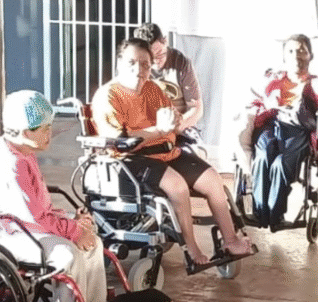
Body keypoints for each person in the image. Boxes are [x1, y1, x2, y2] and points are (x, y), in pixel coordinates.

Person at [90, 38, 253, 265]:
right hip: (130, 159)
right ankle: (192, 249)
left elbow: (172, 120)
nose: (139, 70)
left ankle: (231, 240)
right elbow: (120, 139)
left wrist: (172, 122)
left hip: (166, 152)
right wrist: (158, 130)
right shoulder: (108, 95)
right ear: (119, 63)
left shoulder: (152, 89)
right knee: (177, 186)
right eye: (132, 62)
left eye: (145, 64)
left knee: (213, 179)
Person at [0, 90, 110, 302]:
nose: (50, 133)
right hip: (0, 234)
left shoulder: (22, 151)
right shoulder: (11, 164)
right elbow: (32, 216)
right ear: (24, 132)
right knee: (68, 254)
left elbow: (35, 208)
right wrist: (74, 230)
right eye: (44, 128)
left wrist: (74, 223)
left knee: (92, 242)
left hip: (19, 225)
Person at [250, 34, 318, 232]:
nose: (296, 55)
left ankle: (274, 215)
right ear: (283, 56)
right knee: (262, 155)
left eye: (302, 50)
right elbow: (254, 104)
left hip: (300, 129)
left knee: (281, 163)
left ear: (310, 55)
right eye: (290, 51)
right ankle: (259, 213)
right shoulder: (270, 82)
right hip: (271, 125)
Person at [133, 22, 205, 150]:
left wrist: (175, 126)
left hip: (180, 127)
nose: (156, 61)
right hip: (149, 128)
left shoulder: (181, 63)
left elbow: (196, 109)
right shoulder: (134, 67)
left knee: (192, 153)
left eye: (160, 53)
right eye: (150, 57)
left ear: (165, 41)